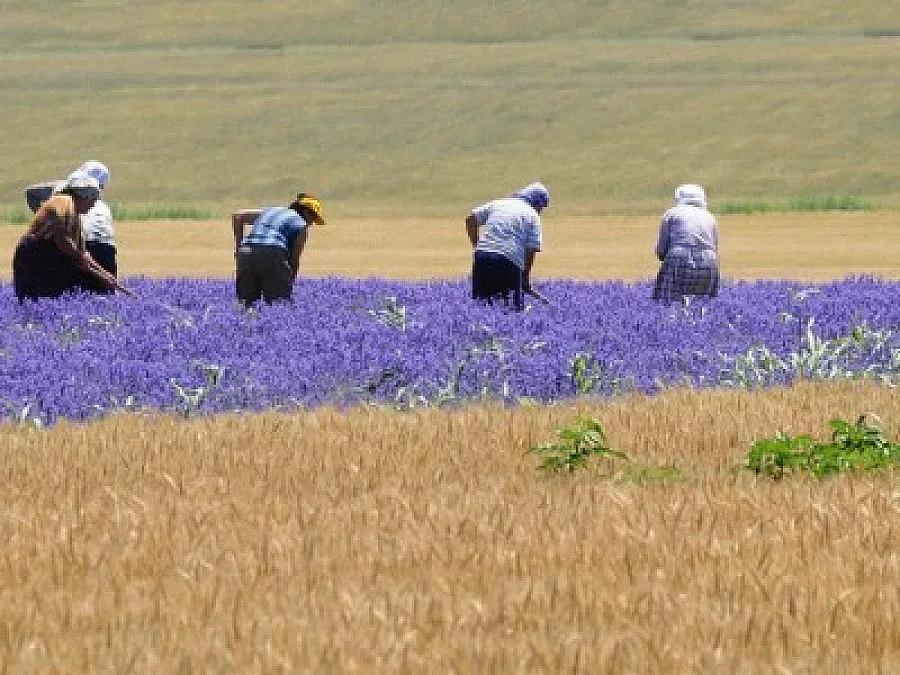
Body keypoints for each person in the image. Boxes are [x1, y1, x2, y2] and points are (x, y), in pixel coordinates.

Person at [12, 172, 126, 302]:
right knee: (36, 299)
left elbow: (83, 254)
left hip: (51, 254)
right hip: (34, 254)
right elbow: (62, 238)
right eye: (92, 200)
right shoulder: (63, 201)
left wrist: (106, 275)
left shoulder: (77, 215)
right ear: (83, 196)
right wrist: (80, 257)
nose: (93, 205)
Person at [466, 181, 550, 310]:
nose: (540, 211)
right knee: (511, 308)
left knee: (481, 305)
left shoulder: (499, 203)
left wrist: (478, 247)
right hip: (508, 260)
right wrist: (525, 279)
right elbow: (531, 249)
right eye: (541, 208)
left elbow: (470, 220)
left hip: (482, 258)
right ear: (537, 203)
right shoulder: (532, 215)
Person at [232, 192, 325, 306]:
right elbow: (294, 259)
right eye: (313, 218)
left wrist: (238, 247)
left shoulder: (270, 211)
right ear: (306, 212)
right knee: (279, 303)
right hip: (273, 252)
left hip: (246, 251)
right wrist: (289, 282)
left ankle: (247, 323)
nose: (312, 223)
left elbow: (238, 216)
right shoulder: (301, 225)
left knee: (246, 304)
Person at [653, 183, 720, 304]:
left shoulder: (672, 214)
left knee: (668, 300)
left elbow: (661, 249)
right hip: (709, 260)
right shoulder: (710, 217)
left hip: (679, 256)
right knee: (702, 303)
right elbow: (715, 247)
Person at [72, 160, 117, 292]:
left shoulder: (78, 201)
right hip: (106, 247)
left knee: (79, 290)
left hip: (83, 245)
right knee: (105, 292)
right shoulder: (104, 207)